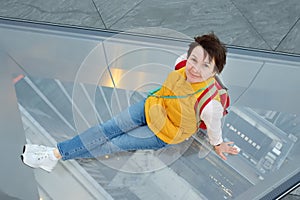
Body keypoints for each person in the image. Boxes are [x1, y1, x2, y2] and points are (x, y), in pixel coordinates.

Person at [21, 33, 239, 172]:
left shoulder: (211, 105)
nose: (194, 68)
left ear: (215, 72)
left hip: (163, 132)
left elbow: (214, 130)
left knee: (112, 144)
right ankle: (53, 155)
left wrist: (218, 145)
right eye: (194, 60)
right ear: (188, 56)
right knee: (106, 128)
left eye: (205, 66)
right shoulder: (181, 62)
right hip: (151, 106)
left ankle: (52, 155)